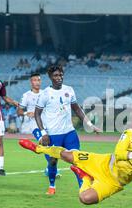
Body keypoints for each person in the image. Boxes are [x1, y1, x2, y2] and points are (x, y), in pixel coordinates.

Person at [19, 113, 132, 205]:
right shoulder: (130, 133)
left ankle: (84, 178)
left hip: (114, 182)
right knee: (67, 155)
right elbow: (118, 153)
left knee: (85, 199)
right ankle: (38, 149)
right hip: (103, 162)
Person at [34, 65, 101, 195]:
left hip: (69, 133)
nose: (59, 78)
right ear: (50, 77)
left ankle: (83, 188)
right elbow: (37, 114)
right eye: (56, 76)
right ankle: (52, 186)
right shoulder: (45, 94)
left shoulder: (69, 90)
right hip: (53, 135)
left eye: (61, 75)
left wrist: (89, 124)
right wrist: (43, 133)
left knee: (77, 161)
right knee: (53, 162)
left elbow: (77, 109)